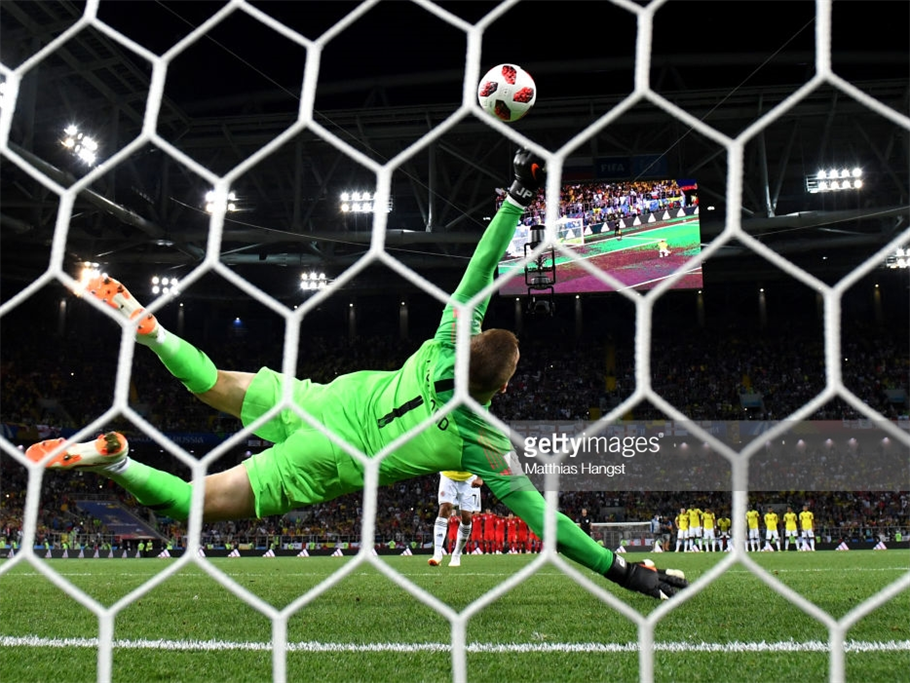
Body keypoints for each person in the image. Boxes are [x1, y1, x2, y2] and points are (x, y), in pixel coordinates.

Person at [25, 150, 687, 601]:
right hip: (331, 459)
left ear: (474, 337)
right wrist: (623, 571)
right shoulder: (481, 441)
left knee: (210, 384)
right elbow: (549, 525)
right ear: (505, 387)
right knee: (195, 501)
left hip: (319, 399)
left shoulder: (444, 340)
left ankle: (156, 331)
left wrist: (516, 197)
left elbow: (482, 268)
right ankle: (112, 464)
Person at [429, 470, 483, 568]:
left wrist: (480, 477)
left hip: (469, 478)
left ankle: (457, 554)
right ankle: (437, 554)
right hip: (448, 475)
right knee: (444, 508)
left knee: (467, 517)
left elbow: (483, 455)